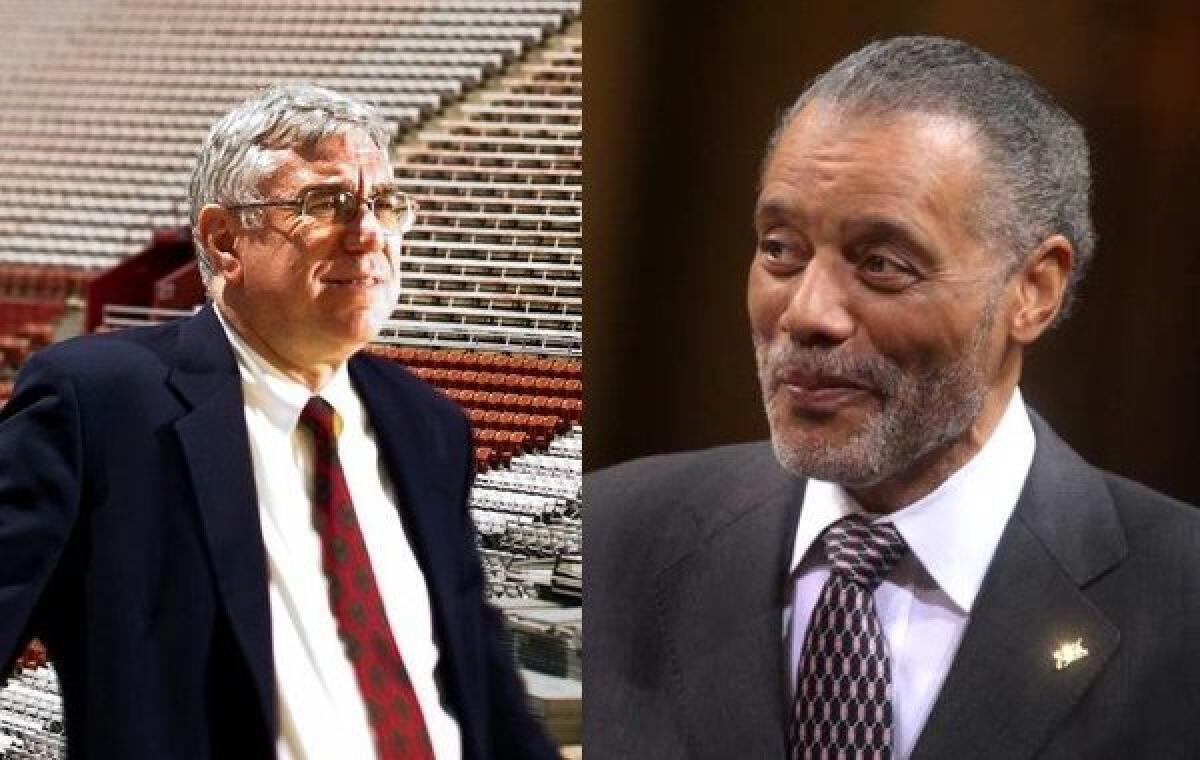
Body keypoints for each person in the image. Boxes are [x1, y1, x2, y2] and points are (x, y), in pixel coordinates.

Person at [585, 36, 1200, 759]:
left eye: (882, 264)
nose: (808, 314)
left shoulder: (1182, 605)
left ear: (1034, 290)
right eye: (780, 249)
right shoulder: (610, 537)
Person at [0, 85, 557, 760]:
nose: (369, 233)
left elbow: (479, 680)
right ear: (223, 239)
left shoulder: (429, 425)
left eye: (384, 204)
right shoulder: (99, 403)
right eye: (325, 204)